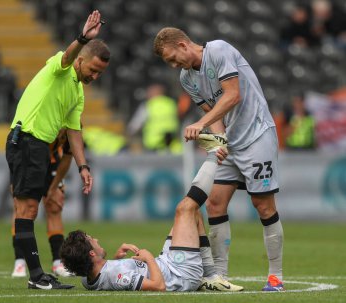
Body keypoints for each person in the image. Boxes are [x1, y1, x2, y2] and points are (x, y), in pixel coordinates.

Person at [153, 27, 284, 291]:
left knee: (263, 205)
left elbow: (233, 95)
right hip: (231, 141)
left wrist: (200, 124)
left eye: (172, 58)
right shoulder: (186, 78)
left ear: (182, 44)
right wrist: (218, 143)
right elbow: (214, 115)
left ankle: (275, 276)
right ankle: (219, 276)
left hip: (257, 135)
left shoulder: (219, 50)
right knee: (214, 203)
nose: (173, 64)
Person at [5, 10, 109, 290]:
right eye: (93, 69)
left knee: (30, 209)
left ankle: (37, 274)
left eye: (100, 73)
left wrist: (83, 167)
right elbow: (65, 57)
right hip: (27, 139)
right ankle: (37, 275)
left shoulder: (77, 92)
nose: (95, 76)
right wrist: (81, 38)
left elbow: (75, 132)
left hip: (36, 146)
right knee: (27, 208)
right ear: (81, 59)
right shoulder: (60, 68)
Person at [60, 134, 243, 291]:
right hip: (180, 274)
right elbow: (159, 287)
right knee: (185, 208)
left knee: (193, 214)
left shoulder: (88, 277)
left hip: (168, 263)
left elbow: (103, 277)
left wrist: (116, 259)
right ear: (92, 254)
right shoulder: (116, 277)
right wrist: (148, 257)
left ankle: (211, 277)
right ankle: (214, 153)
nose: (97, 240)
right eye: (92, 241)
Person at [11, 129, 74, 278]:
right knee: (22, 207)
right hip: (26, 157)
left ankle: (58, 262)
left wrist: (54, 186)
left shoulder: (71, 121)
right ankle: (20, 261)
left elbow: (68, 156)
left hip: (52, 161)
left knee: (54, 207)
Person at [127, 83, 181, 153]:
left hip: (155, 143)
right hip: (172, 143)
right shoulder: (171, 103)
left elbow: (136, 124)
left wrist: (129, 133)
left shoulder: (148, 105)